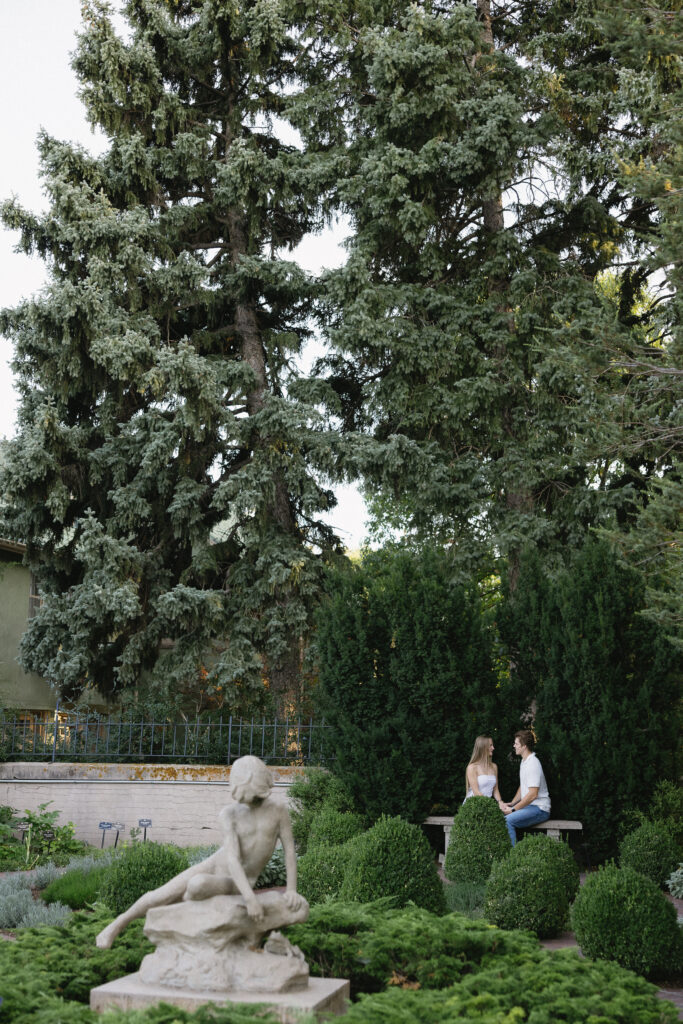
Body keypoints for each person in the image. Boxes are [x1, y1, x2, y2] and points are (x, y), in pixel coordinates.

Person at [95, 754, 304, 949]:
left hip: (235, 882)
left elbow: (289, 852)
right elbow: (232, 858)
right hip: (215, 864)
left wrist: (291, 890)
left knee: (197, 886)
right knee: (159, 894)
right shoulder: (229, 813)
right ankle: (116, 926)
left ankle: (182, 908)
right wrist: (251, 900)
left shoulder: (278, 811)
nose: (244, 800)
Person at [500, 729, 550, 845]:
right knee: (499, 816)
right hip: (530, 807)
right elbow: (523, 786)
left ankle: (513, 860)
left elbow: (533, 794)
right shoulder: (524, 761)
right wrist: (512, 803)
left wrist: (513, 810)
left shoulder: (533, 763)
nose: (514, 746)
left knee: (508, 821)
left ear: (524, 746)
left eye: (516, 744)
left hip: (540, 809)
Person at [464, 735, 504, 808]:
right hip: (473, 806)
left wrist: (500, 802)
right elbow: (476, 792)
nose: (493, 748)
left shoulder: (494, 766)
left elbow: (495, 790)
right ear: (483, 748)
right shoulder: (472, 767)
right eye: (490, 745)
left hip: (487, 805)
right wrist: (491, 806)